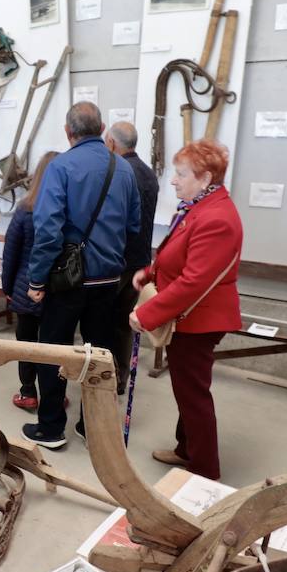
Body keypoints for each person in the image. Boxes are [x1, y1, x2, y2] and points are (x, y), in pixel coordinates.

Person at [23, 102, 141, 449]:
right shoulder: (122, 168)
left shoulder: (60, 167)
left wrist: (36, 280)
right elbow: (133, 224)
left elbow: (47, 230)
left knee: (54, 350)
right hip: (108, 279)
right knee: (98, 353)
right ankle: (91, 426)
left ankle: (50, 427)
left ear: (67, 131)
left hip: (68, 280)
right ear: (102, 126)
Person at [129, 140, 242, 480]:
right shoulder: (199, 206)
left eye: (181, 174)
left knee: (192, 394)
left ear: (205, 177)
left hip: (200, 319)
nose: (174, 181)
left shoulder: (217, 218)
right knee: (186, 389)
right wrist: (150, 273)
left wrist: (146, 314)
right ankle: (186, 449)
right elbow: (178, 254)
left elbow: (195, 281)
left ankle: (205, 470)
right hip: (190, 315)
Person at [0, 151, 59, 410]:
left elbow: (11, 252)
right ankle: (53, 394)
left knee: (26, 343)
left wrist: (8, 288)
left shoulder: (25, 208)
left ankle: (28, 392)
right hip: (58, 289)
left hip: (26, 286)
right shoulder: (67, 210)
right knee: (54, 346)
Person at [104, 120, 160, 394]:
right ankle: (119, 380)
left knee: (103, 323)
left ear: (112, 144)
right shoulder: (148, 173)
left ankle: (103, 379)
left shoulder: (121, 173)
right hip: (139, 260)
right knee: (123, 325)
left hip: (118, 262)